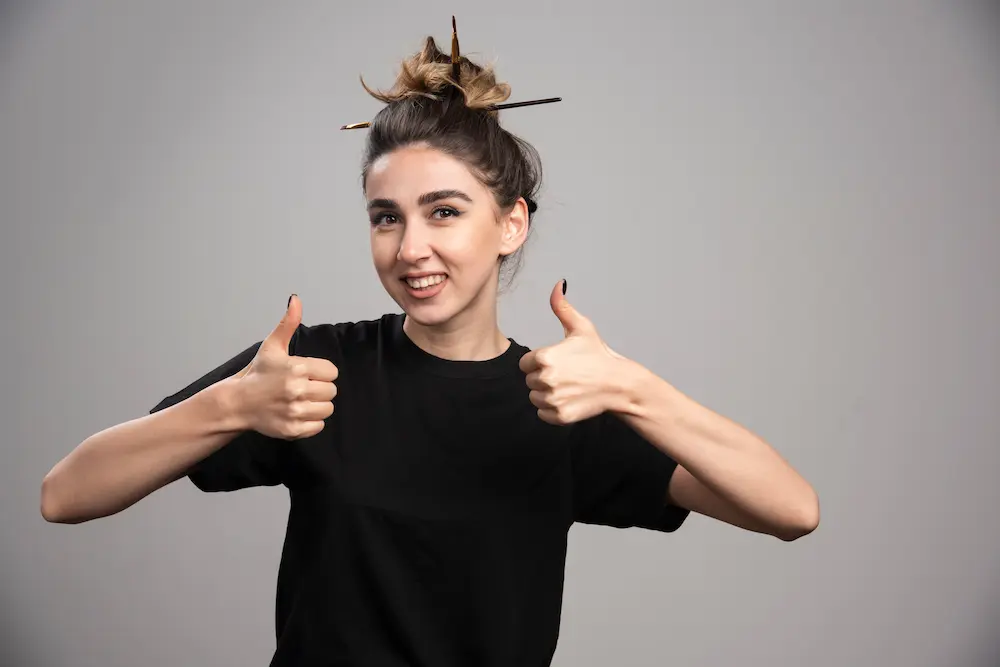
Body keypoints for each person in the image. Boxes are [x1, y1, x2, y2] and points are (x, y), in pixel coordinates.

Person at [40, 26, 819, 667]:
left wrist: (630, 388)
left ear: (510, 222)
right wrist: (230, 403)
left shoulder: (564, 397)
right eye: (386, 216)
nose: (411, 247)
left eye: (443, 212)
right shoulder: (314, 368)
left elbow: (792, 510)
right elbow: (65, 494)